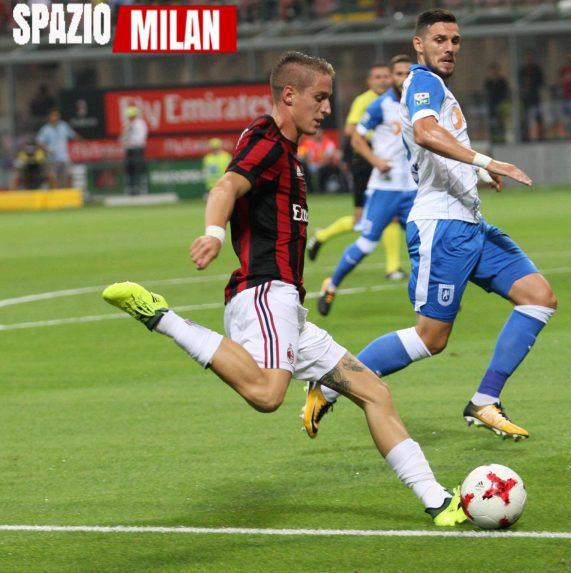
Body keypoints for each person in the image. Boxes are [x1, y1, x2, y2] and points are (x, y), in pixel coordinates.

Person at [101, 51, 466, 527]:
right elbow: (225, 187)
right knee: (268, 394)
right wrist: (213, 234)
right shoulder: (266, 139)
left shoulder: (288, 155)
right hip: (263, 293)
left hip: (289, 309)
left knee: (374, 392)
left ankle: (437, 500)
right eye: (320, 97)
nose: (327, 109)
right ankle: (162, 317)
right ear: (289, 95)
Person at [304, 9, 557, 441]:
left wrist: (475, 173)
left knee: (538, 297)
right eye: (440, 39)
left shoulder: (439, 88)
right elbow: (424, 133)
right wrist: (488, 161)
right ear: (419, 45)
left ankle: (484, 401)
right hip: (442, 226)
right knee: (430, 338)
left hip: (470, 221)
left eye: (455, 40)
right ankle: (330, 384)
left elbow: (432, 147)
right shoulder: (423, 82)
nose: (450, 47)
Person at [317, 55, 418, 316]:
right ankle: (332, 285)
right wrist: (376, 161)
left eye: (408, 73)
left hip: (413, 189)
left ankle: (431, 300)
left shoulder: (420, 103)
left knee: (425, 244)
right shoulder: (379, 106)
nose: (403, 78)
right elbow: (356, 138)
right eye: (399, 74)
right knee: (367, 244)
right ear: (392, 77)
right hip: (385, 188)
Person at [306, 63, 405, 281]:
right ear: (369, 81)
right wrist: (377, 135)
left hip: (387, 166)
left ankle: (393, 268)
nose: (382, 80)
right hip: (365, 164)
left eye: (385, 76)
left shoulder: (398, 101)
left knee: (392, 216)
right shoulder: (364, 101)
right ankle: (322, 236)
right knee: (360, 220)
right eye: (377, 77)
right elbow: (351, 130)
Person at [35, 108, 78, 188]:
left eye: (57, 115)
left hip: (64, 156)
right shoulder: (45, 129)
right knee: (53, 177)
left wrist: (83, 142)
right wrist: (47, 149)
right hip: (52, 158)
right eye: (53, 115)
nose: (55, 117)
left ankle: (70, 193)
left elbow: (73, 135)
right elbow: (39, 142)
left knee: (69, 175)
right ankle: (55, 193)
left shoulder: (64, 126)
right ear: (49, 117)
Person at [297, 128, 341, 193]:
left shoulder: (328, 143)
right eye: (316, 133)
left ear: (322, 134)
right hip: (310, 165)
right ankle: (309, 188)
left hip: (324, 165)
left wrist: (320, 164)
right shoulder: (307, 143)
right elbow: (300, 154)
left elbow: (329, 157)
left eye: (319, 133)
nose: (317, 135)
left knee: (325, 168)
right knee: (302, 167)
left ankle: (322, 188)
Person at [121, 106, 148, 195]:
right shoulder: (126, 124)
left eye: (131, 115)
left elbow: (141, 137)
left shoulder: (140, 124)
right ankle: (130, 188)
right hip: (129, 149)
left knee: (139, 168)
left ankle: (141, 188)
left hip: (138, 149)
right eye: (129, 115)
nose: (130, 117)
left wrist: (132, 142)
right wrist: (125, 140)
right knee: (129, 169)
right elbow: (122, 138)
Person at [518, 52, 544, 142]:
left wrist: (532, 84)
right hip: (525, 97)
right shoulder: (522, 70)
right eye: (527, 58)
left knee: (538, 116)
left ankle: (540, 136)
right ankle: (525, 136)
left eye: (530, 58)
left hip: (535, 96)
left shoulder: (537, 69)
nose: (528, 60)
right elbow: (519, 83)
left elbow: (541, 82)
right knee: (525, 117)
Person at [484, 63, 510, 144]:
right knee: (492, 123)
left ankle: (502, 139)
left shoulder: (502, 81)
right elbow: (487, 94)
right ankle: (493, 140)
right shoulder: (488, 82)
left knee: (500, 123)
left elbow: (505, 93)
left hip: (500, 105)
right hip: (491, 105)